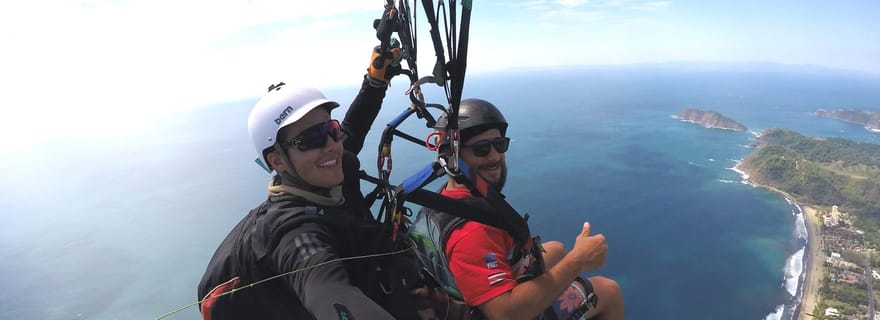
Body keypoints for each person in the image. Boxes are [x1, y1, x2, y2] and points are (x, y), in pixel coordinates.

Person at [196, 43, 429, 319]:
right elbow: (324, 286)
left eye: (330, 129)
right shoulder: (290, 230)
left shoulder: (323, 167)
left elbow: (352, 128)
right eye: (312, 139)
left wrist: (374, 82)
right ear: (278, 161)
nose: (332, 145)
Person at [422, 99, 625, 320]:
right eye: (481, 149)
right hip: (504, 312)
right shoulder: (472, 233)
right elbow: (506, 314)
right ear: (454, 158)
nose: (494, 157)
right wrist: (578, 261)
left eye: (499, 145)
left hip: (468, 295)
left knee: (556, 249)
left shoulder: (449, 198)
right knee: (608, 290)